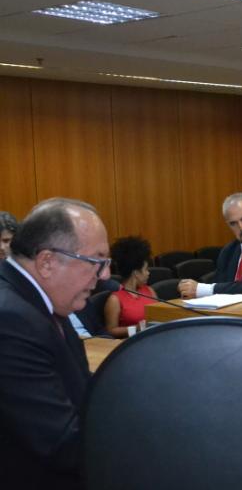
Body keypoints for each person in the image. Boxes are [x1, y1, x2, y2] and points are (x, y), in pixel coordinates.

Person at [0, 198, 111, 488]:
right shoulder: (10, 319)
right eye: (96, 262)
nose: (105, 275)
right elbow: (60, 442)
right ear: (47, 262)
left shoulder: (44, 301)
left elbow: (81, 391)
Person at [103, 236, 155, 339]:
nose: (148, 273)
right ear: (136, 273)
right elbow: (110, 331)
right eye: (146, 269)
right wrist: (136, 329)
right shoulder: (115, 300)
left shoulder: (149, 290)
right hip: (132, 342)